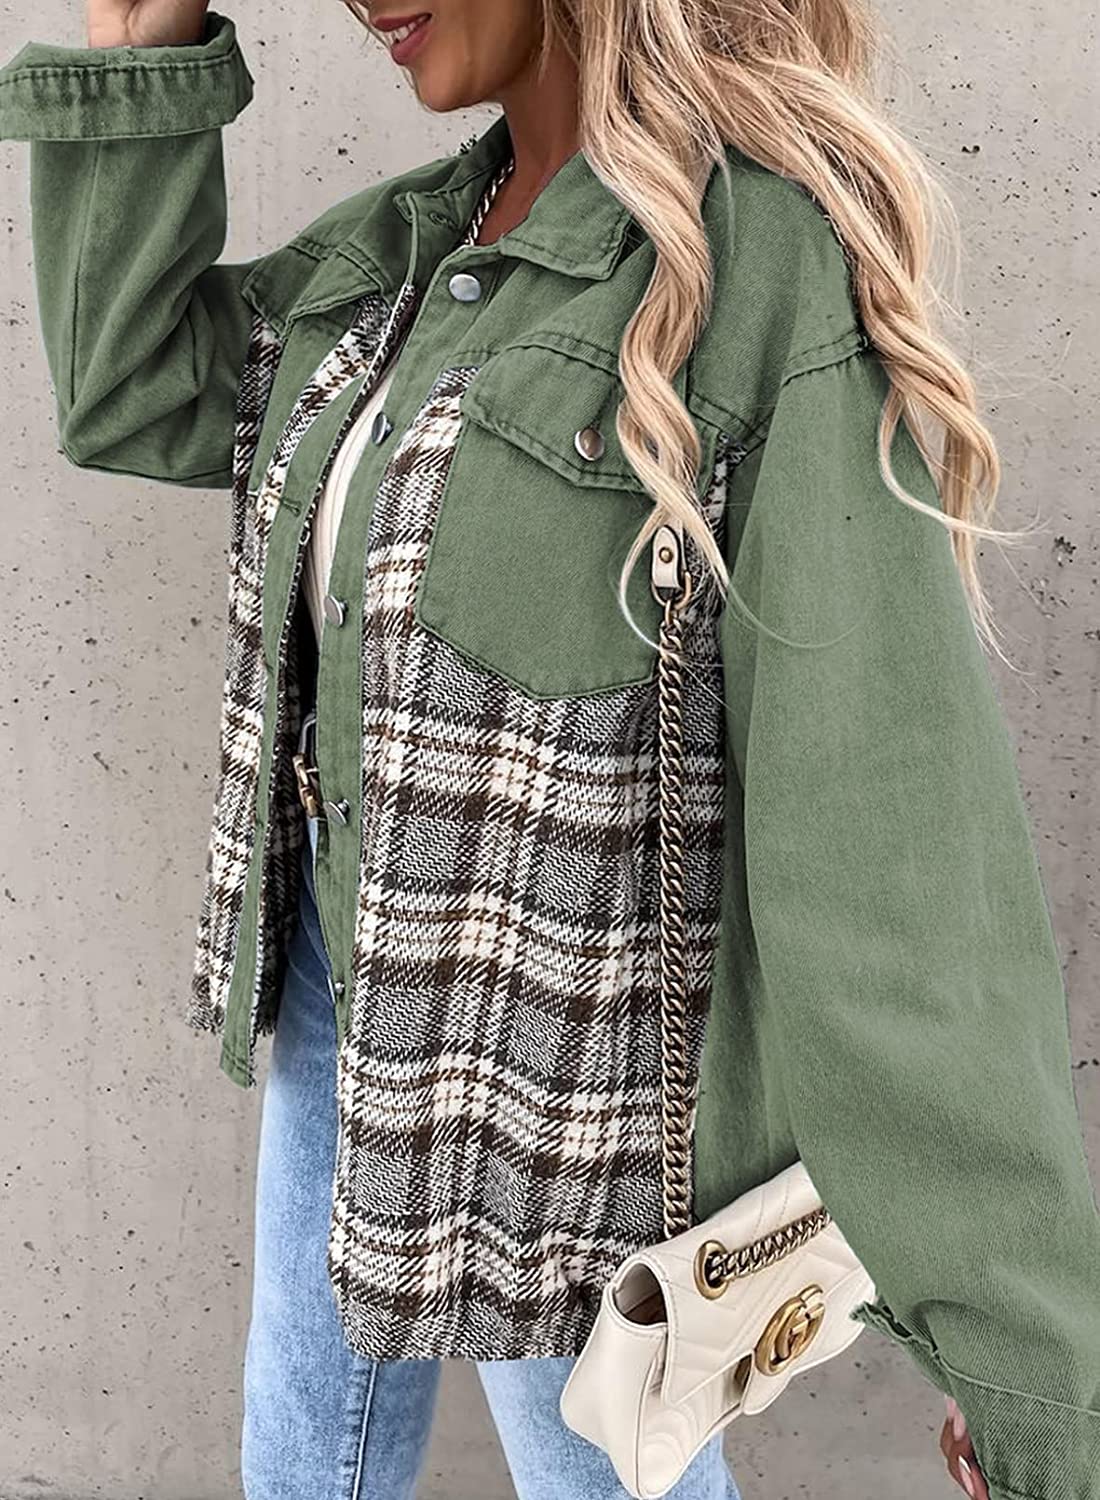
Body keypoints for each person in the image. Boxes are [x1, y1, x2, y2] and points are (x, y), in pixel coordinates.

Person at [1, 1, 1097, 1496]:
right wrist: (143, 38)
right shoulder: (411, 251)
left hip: (558, 1095)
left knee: (589, 1472)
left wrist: (1023, 1360)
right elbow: (137, 387)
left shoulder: (754, 265)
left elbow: (888, 848)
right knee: (297, 1460)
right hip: (341, 980)